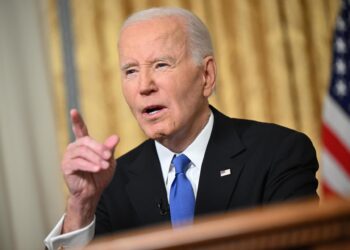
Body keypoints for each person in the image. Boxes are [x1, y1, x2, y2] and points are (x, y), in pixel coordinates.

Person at [44, 7, 319, 250]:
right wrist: (80, 206)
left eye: (161, 65)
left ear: (206, 75)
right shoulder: (108, 185)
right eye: (130, 71)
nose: (144, 86)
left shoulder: (278, 153)